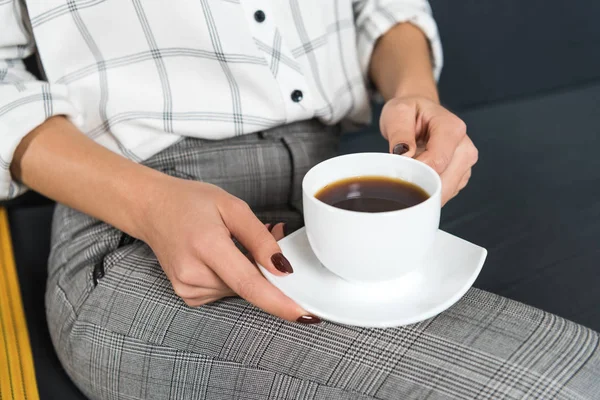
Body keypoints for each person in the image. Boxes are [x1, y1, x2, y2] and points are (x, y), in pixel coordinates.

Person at [1, 1, 598, 399]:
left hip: (331, 192)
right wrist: (150, 205)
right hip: (137, 218)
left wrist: (416, 96)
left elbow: (382, 6)